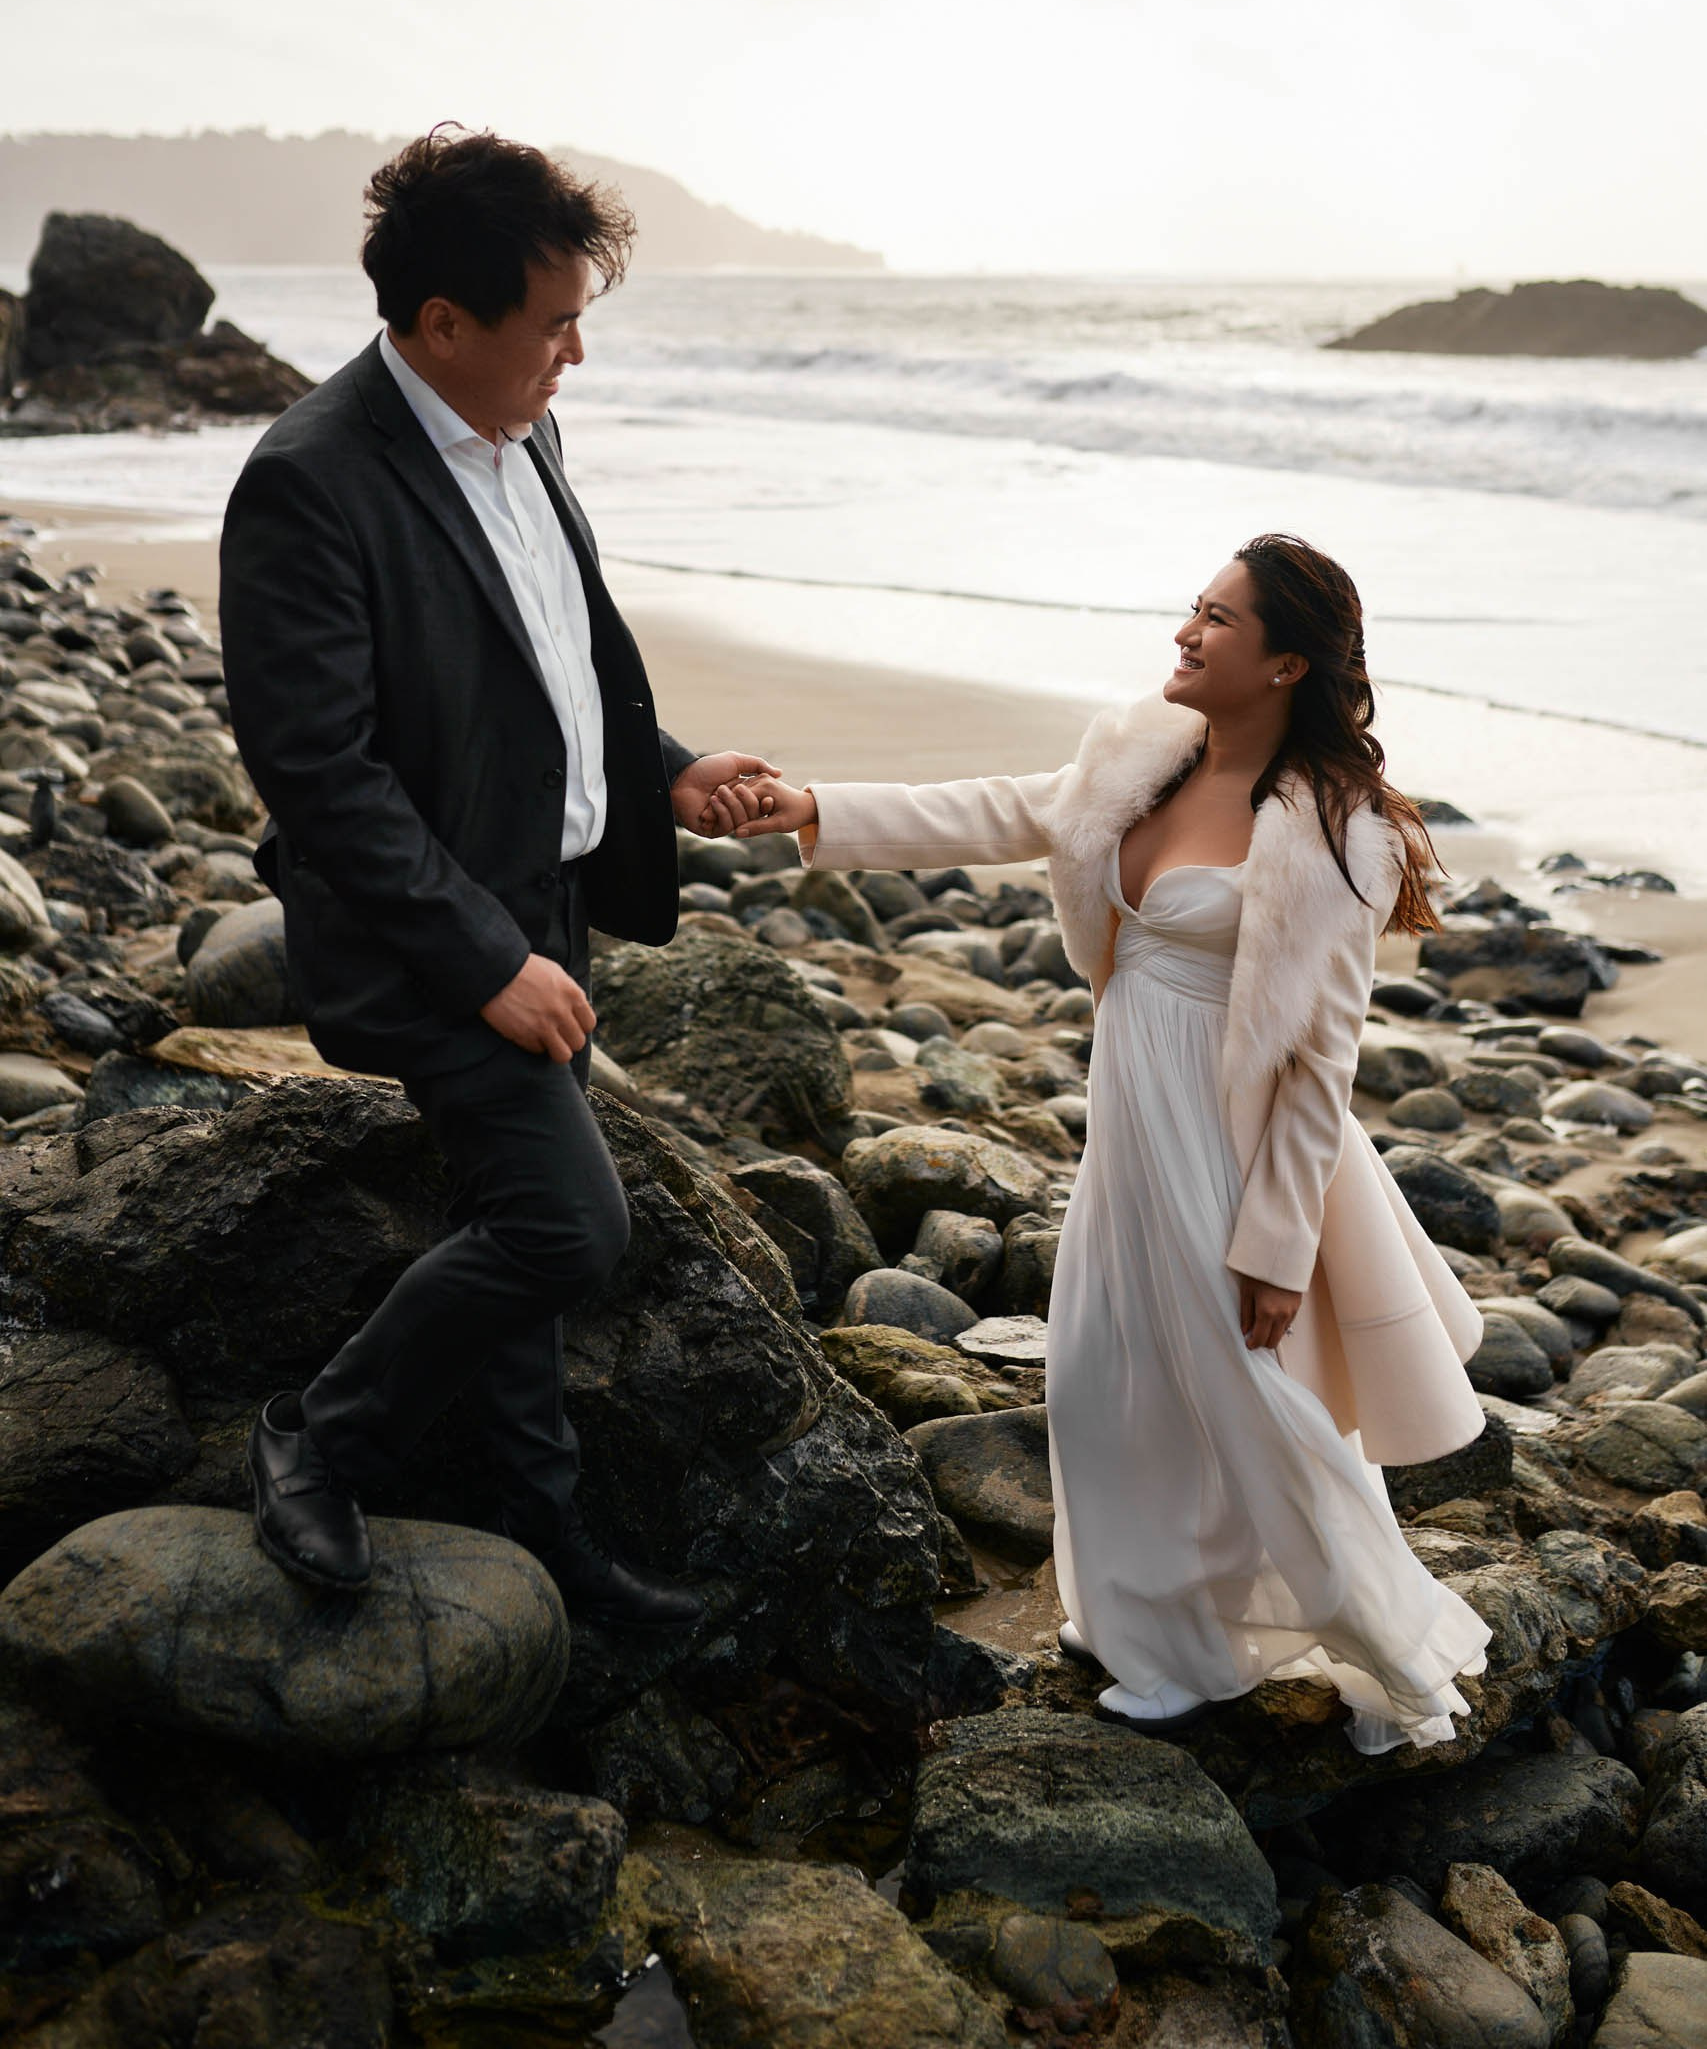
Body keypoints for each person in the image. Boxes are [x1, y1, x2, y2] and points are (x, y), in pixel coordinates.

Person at [723, 534, 1493, 1751]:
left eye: (1219, 620)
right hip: (1130, 1116)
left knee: (1246, 1400)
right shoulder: (1146, 754)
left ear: (1288, 662)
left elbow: (1322, 1061)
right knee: (1100, 1376)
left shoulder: (1336, 828)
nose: (1187, 632)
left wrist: (1277, 1243)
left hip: (1223, 1138)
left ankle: (1357, 1639)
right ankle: (1149, 1625)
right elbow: (1005, 808)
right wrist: (812, 809)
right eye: (1194, 608)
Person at [219, 126, 778, 1630]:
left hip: (547, 905)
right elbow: (322, 779)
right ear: (441, 322)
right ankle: (311, 1441)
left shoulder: (522, 425)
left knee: (512, 1211)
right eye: (553, 321)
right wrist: (484, 962)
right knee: (565, 1230)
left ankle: (550, 1542)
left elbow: (559, 665)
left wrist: (665, 767)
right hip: (422, 945)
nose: (575, 354)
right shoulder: (307, 483)